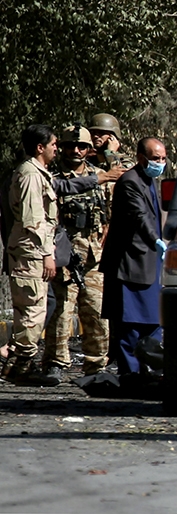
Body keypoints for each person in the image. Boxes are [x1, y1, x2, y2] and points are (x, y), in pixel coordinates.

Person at [41, 125, 113, 381]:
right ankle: (56, 362)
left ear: (89, 149)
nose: (75, 151)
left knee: (96, 312)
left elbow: (111, 211)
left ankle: (96, 365)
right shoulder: (51, 176)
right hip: (64, 255)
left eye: (81, 146)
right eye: (70, 146)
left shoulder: (102, 176)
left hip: (94, 256)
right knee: (61, 311)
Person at [100, 137, 168, 378]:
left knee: (154, 323)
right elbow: (140, 217)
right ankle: (131, 376)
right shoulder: (130, 181)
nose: (160, 163)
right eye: (155, 158)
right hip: (130, 264)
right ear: (141, 158)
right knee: (129, 326)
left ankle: (151, 374)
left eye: (162, 158)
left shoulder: (150, 180)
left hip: (150, 265)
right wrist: (156, 241)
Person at [1, 125, 62, 386]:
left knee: (34, 307)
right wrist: (47, 254)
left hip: (32, 249)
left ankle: (19, 365)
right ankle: (20, 367)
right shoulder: (29, 175)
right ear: (40, 147)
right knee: (32, 310)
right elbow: (32, 219)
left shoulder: (39, 174)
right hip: (31, 251)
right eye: (53, 144)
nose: (56, 149)